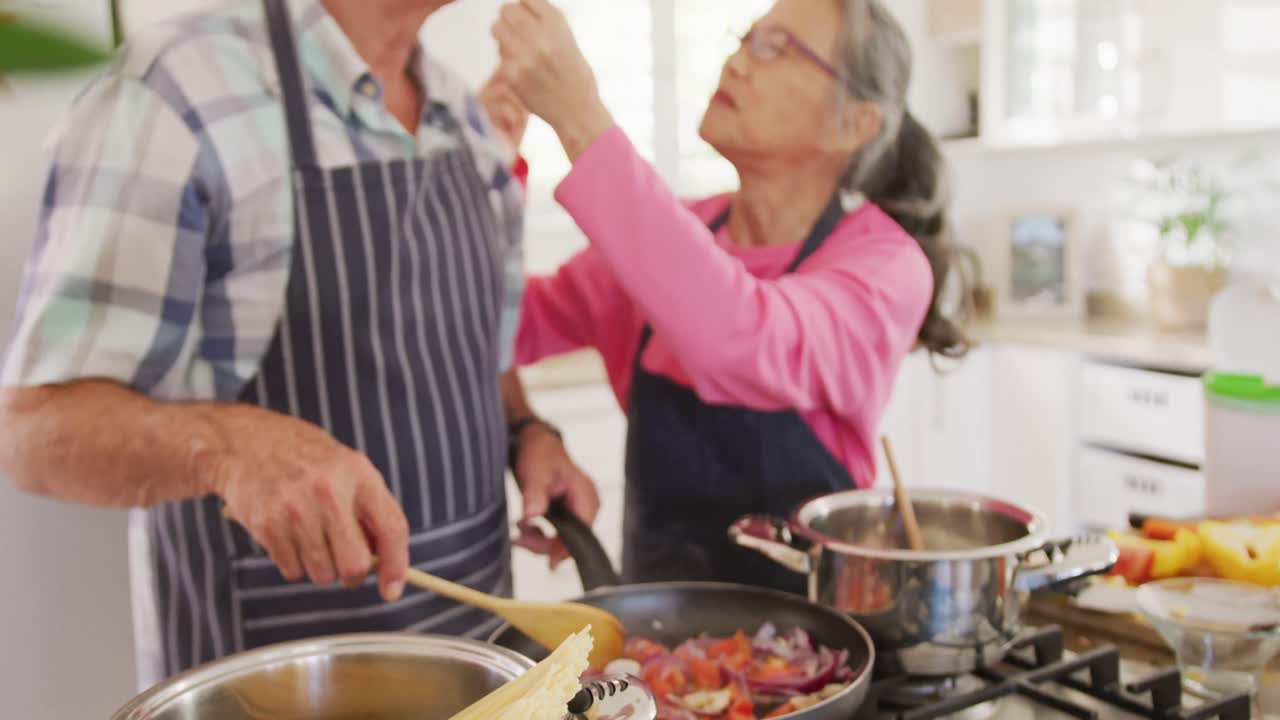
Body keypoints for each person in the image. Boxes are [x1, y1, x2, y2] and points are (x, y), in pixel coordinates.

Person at [0, 0, 598, 680]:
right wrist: (227, 448)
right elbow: (32, 431)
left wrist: (527, 429)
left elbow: (484, 355)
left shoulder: (460, 116)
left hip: (479, 658)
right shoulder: (175, 93)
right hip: (267, 676)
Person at [493, 0, 968, 593]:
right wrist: (488, 172)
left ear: (854, 123)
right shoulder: (665, 240)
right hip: (662, 649)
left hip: (815, 655)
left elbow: (742, 338)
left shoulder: (886, 265)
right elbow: (496, 326)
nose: (737, 62)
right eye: (744, 39)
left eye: (775, 49)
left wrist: (580, 118)